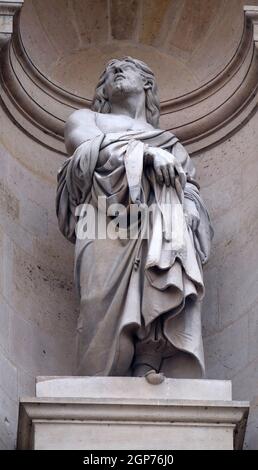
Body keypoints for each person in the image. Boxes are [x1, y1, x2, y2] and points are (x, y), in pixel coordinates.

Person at [56, 57, 213, 384]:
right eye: (109, 71)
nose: (114, 71)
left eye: (124, 68)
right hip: (102, 220)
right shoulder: (88, 119)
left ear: (147, 84)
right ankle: (95, 387)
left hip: (157, 222)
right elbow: (84, 149)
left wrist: (189, 207)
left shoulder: (170, 143)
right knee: (97, 304)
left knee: (163, 268)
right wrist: (144, 155)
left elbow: (191, 191)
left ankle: (150, 360)